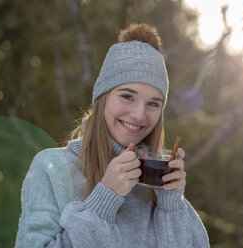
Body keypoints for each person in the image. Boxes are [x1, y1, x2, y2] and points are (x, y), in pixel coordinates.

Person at [15, 23, 209, 248]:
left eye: (153, 104)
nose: (139, 114)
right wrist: (103, 201)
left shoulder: (157, 185)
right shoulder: (52, 169)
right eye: (127, 96)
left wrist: (171, 205)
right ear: (102, 97)